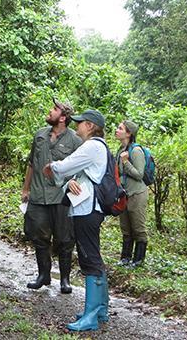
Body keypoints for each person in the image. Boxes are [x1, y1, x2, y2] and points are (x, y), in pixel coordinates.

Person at [42, 109, 110, 332]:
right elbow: (76, 173)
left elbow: (67, 165)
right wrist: (66, 179)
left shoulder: (92, 146)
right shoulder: (97, 148)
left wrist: (52, 167)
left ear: (90, 126)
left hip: (87, 210)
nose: (77, 125)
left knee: (89, 258)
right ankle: (100, 309)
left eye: (80, 123)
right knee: (94, 256)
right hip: (89, 208)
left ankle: (90, 315)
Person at [21, 98, 83, 294]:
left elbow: (81, 168)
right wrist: (26, 189)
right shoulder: (40, 135)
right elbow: (31, 164)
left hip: (62, 197)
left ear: (63, 117)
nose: (50, 111)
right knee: (39, 236)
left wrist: (75, 182)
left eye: (54, 109)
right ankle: (43, 275)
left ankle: (65, 279)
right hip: (39, 196)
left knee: (65, 239)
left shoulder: (75, 140)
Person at [114, 120, 148, 266]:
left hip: (137, 194)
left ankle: (138, 260)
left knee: (138, 228)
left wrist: (126, 162)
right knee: (126, 228)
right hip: (124, 194)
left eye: (120, 128)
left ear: (129, 133)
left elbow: (139, 174)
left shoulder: (136, 151)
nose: (116, 130)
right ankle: (125, 258)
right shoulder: (120, 150)